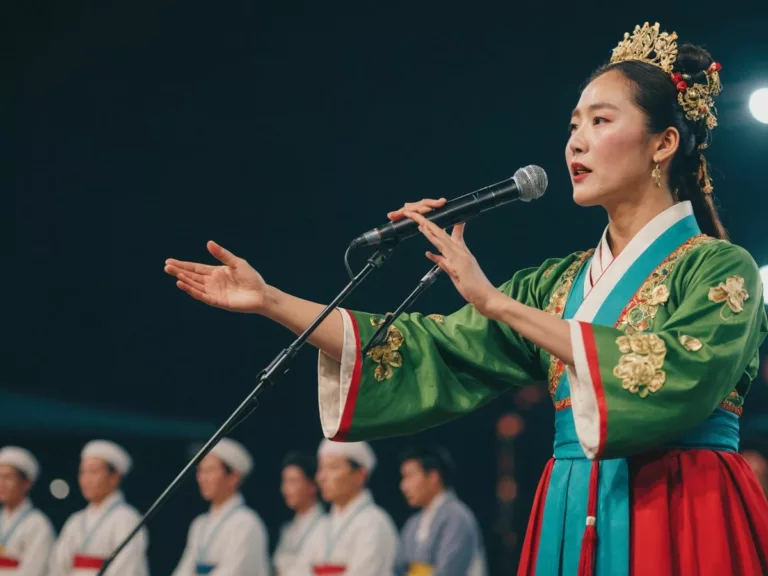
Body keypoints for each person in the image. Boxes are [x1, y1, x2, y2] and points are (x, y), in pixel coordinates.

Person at [165, 21, 768, 575]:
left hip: (681, 504)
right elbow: (432, 349)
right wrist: (272, 300)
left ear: (663, 144)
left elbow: (676, 372)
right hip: (568, 500)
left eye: (601, 122)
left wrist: (497, 303)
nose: (576, 143)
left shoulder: (719, 267)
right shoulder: (556, 283)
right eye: (573, 126)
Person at [291, 440, 397, 575]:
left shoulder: (374, 524)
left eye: (333, 467)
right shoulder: (322, 526)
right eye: (321, 468)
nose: (321, 477)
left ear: (360, 475)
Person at [49, 440, 149, 576]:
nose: (86, 479)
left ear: (115, 477)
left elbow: (126, 568)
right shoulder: (75, 520)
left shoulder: (127, 518)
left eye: (93, 472)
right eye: (82, 472)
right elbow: (58, 565)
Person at [172, 438, 269, 576]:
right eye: (200, 471)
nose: (202, 478)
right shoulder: (200, 524)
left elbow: (234, 571)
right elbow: (184, 569)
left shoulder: (246, 523)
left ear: (233, 477)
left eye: (210, 470)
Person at [396, 445, 486, 576]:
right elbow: (398, 568)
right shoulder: (413, 522)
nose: (403, 486)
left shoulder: (457, 517)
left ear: (433, 476)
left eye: (409, 476)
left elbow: (448, 572)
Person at [0, 447, 55, 575]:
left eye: (7, 477)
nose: (1, 483)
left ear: (26, 483)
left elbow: (34, 570)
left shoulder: (38, 524)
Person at [273, 451, 325, 576]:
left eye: (293, 481)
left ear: (312, 485)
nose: (285, 489)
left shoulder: (325, 525)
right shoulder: (288, 528)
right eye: (284, 481)